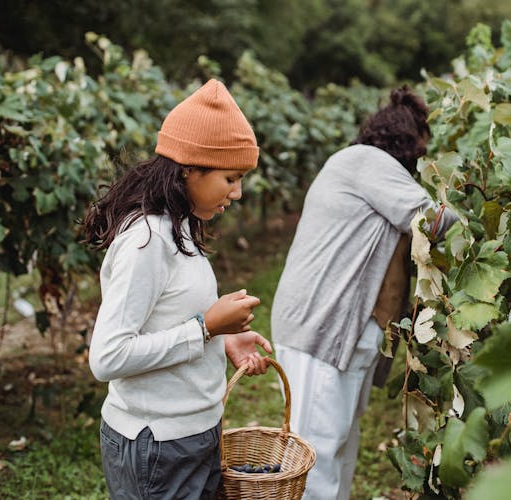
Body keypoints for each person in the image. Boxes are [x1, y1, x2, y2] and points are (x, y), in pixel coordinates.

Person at [83, 79, 272, 499]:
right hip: (156, 446)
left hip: (194, 433)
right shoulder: (146, 241)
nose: (237, 193)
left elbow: (168, 315)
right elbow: (108, 356)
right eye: (230, 178)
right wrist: (205, 328)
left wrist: (222, 338)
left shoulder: (180, 226)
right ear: (189, 168)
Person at [270, 85, 459, 500]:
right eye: (419, 152)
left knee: (338, 446)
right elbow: (432, 220)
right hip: (321, 326)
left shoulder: (362, 165)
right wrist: (480, 227)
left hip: (343, 327)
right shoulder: (367, 162)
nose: (420, 163)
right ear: (403, 143)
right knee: (314, 457)